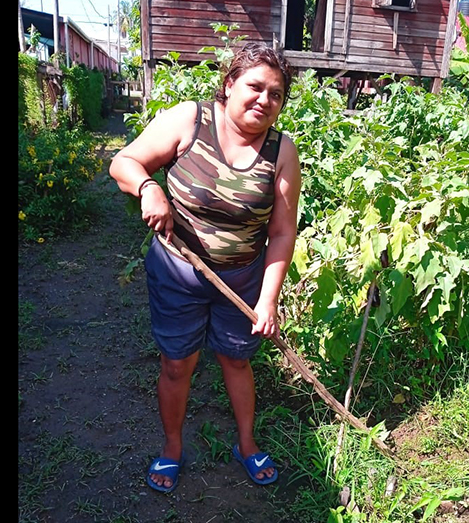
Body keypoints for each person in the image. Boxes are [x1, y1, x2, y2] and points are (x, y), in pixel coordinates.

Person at [109, 42, 301, 493]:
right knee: (178, 365)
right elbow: (124, 161)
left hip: (242, 278)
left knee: (237, 360)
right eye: (255, 86)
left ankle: (247, 444)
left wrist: (268, 299)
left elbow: (281, 233)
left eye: (276, 94)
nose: (264, 100)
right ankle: (172, 449)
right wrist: (148, 189)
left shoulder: (281, 151)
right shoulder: (189, 121)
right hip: (179, 272)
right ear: (230, 84)